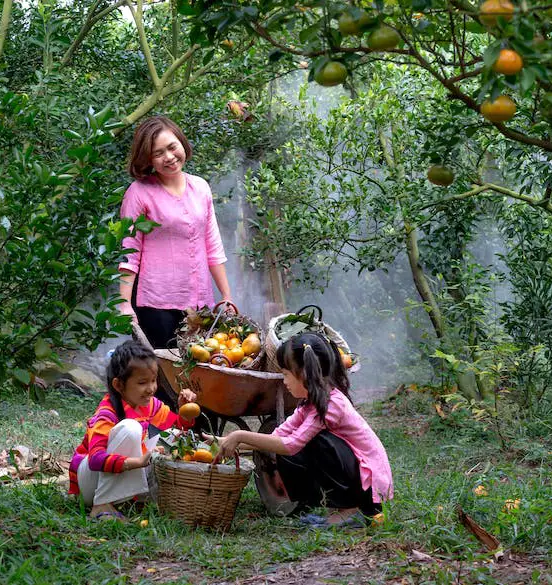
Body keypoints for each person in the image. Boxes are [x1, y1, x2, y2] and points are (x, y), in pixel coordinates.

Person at [216, 333, 393, 528]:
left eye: (285, 374)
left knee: (319, 442)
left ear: (304, 374)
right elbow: (278, 436)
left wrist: (239, 434)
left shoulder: (331, 404)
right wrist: (222, 441)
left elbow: (291, 445)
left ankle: (352, 510)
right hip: (357, 476)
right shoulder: (310, 403)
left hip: (370, 487)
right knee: (293, 445)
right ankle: (338, 509)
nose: (284, 381)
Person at [118, 115, 233, 351]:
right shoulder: (139, 193)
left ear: (182, 143)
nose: (169, 157)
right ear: (148, 159)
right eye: (158, 153)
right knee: (165, 375)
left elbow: (212, 246)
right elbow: (129, 252)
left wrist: (226, 295)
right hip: (155, 305)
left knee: (201, 371)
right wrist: (124, 305)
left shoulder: (200, 187)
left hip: (201, 303)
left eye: (172, 147)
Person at [68, 340, 197, 521]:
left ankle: (131, 499)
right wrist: (138, 462)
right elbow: (96, 460)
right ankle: (101, 505)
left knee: (173, 438)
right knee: (131, 428)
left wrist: (185, 411)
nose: (151, 388)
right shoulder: (108, 412)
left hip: (114, 477)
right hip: (90, 484)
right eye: (142, 382)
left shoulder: (151, 406)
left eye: (153, 380)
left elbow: (175, 430)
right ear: (119, 385)